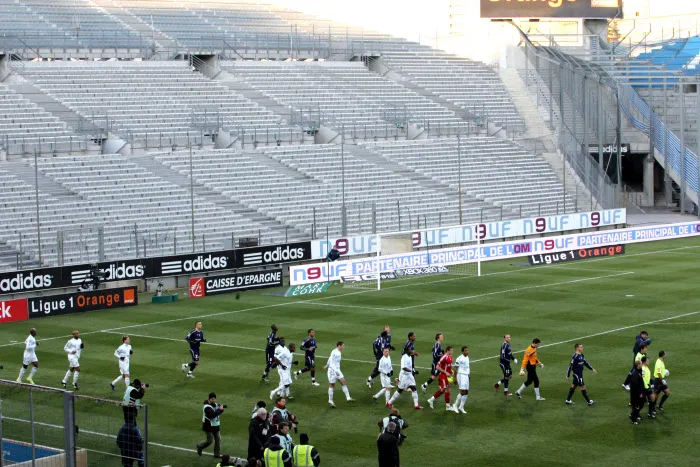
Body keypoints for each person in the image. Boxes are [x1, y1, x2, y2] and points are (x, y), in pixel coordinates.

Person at [387, 345, 423, 410]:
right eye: (409, 350)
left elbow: (413, 352)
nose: (411, 350)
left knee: (414, 388)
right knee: (400, 390)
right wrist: (412, 371)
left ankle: (416, 405)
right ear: (406, 351)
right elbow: (403, 368)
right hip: (404, 376)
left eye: (411, 349)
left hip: (409, 375)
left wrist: (415, 353)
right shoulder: (404, 357)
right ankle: (389, 402)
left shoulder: (410, 355)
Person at [323, 341, 354, 408]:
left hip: (337, 370)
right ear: (339, 346)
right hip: (332, 371)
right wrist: (332, 369)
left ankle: (348, 398)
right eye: (343, 346)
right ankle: (330, 400)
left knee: (343, 382)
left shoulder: (338, 352)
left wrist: (326, 365)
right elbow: (331, 362)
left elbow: (329, 359)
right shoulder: (335, 352)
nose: (344, 347)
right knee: (332, 385)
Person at [427, 346, 457, 412]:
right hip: (443, 376)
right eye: (451, 350)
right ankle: (448, 406)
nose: (452, 351)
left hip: (447, 376)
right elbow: (437, 367)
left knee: (443, 390)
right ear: (448, 351)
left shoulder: (450, 357)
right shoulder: (444, 357)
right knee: (447, 389)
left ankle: (431, 400)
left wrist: (450, 371)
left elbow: (448, 366)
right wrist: (445, 372)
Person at [197, 392, 224, 458]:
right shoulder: (207, 407)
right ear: (209, 399)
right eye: (212, 399)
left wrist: (221, 408)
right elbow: (212, 415)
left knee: (218, 440)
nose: (213, 400)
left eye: (214, 399)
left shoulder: (216, 404)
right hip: (208, 426)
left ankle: (216, 454)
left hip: (216, 426)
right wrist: (220, 410)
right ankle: (200, 446)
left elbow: (220, 409)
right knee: (209, 441)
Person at [453, 346, 470, 414]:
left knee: (466, 392)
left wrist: (469, 375)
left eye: (467, 350)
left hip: (466, 376)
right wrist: (454, 377)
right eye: (466, 350)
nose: (467, 352)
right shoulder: (459, 358)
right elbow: (455, 368)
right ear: (462, 351)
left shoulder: (467, 357)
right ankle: (455, 405)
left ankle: (461, 407)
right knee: (462, 391)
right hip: (461, 375)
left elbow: (467, 367)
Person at [629, 360, 645, 424]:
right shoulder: (635, 374)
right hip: (635, 394)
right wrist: (639, 393)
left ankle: (633, 415)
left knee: (641, 405)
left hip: (639, 392)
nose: (642, 365)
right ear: (638, 365)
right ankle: (633, 420)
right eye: (641, 364)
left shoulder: (639, 371)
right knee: (636, 406)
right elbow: (635, 386)